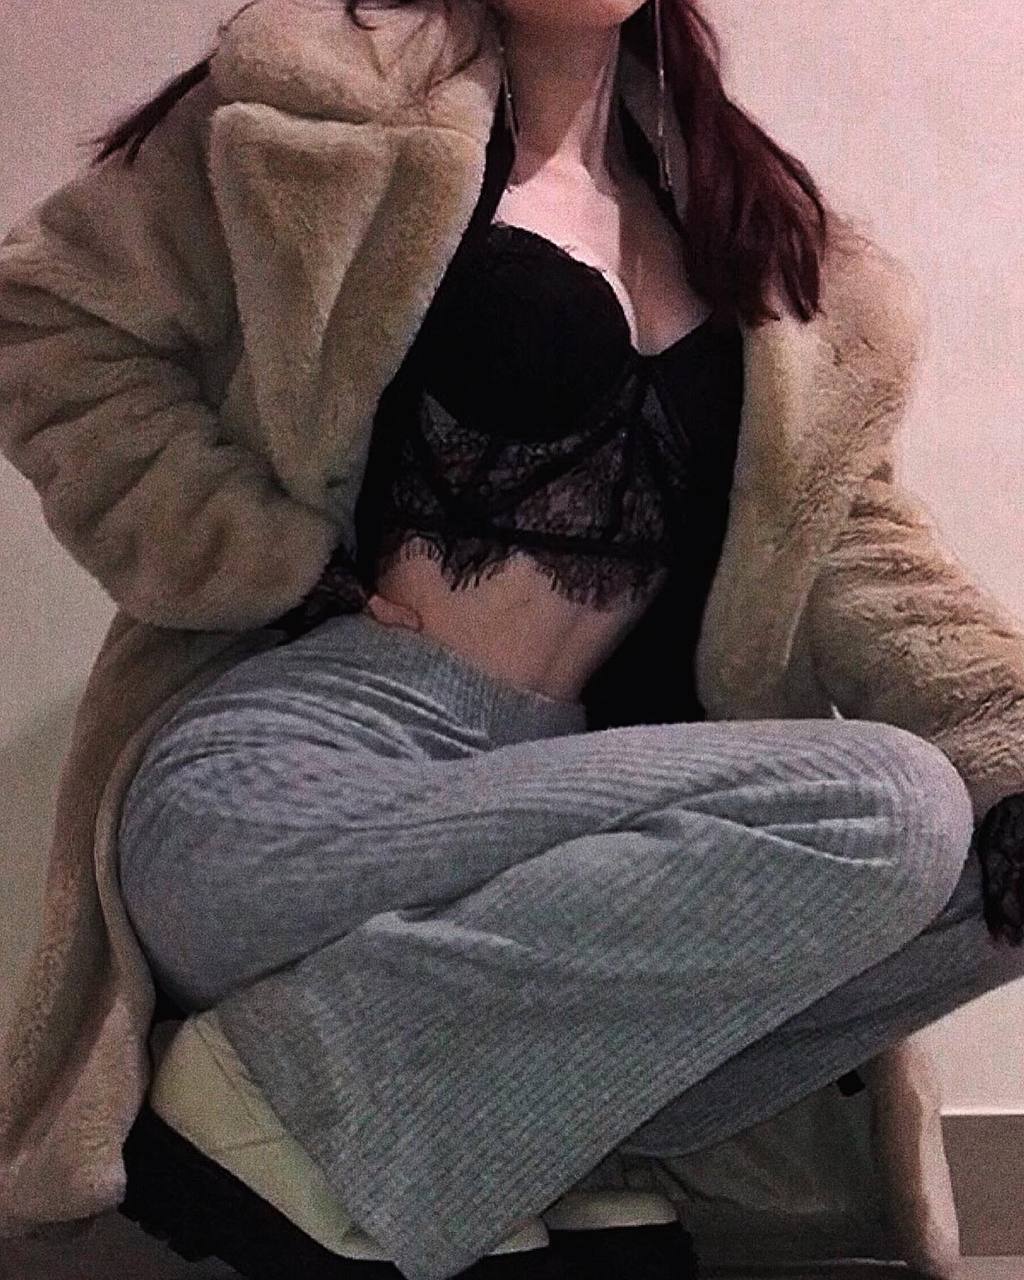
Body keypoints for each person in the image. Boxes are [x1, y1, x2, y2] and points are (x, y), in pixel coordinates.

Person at [1, 1, 1023, 1279]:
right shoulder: (311, 110)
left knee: (989, 864)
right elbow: (50, 318)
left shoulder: (769, 246)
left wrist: (1007, 740)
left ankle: (512, 1131)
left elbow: (858, 551)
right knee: (891, 801)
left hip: (561, 788)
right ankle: (280, 1094)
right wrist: (261, 553)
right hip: (293, 776)